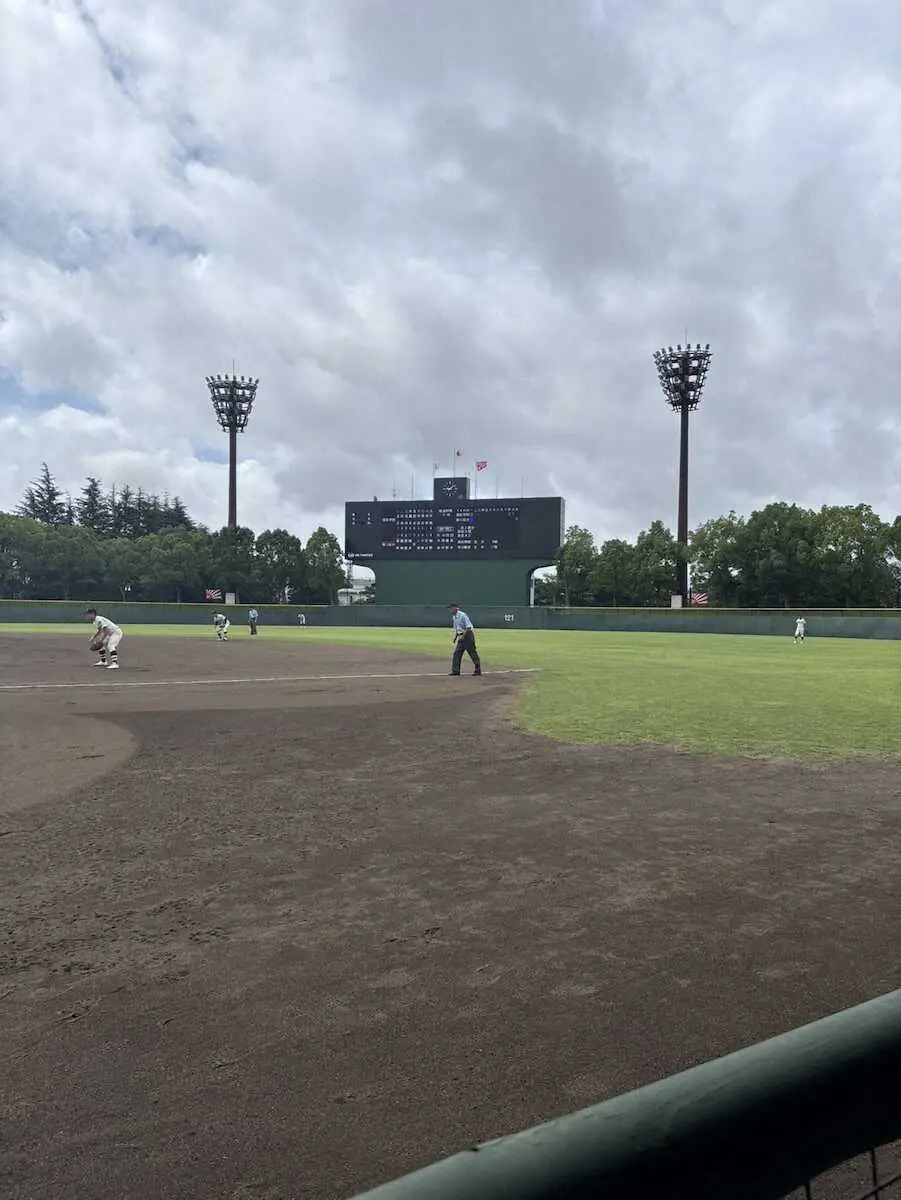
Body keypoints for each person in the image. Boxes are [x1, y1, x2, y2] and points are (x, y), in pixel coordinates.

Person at [449, 603, 482, 676]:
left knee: (472, 653)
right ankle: (456, 671)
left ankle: (478, 670)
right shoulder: (454, 617)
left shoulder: (463, 615)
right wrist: (455, 637)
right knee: (457, 653)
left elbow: (469, 627)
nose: (450, 610)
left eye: (451, 608)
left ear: (456, 608)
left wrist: (463, 636)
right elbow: (458, 629)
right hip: (461, 637)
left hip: (468, 636)